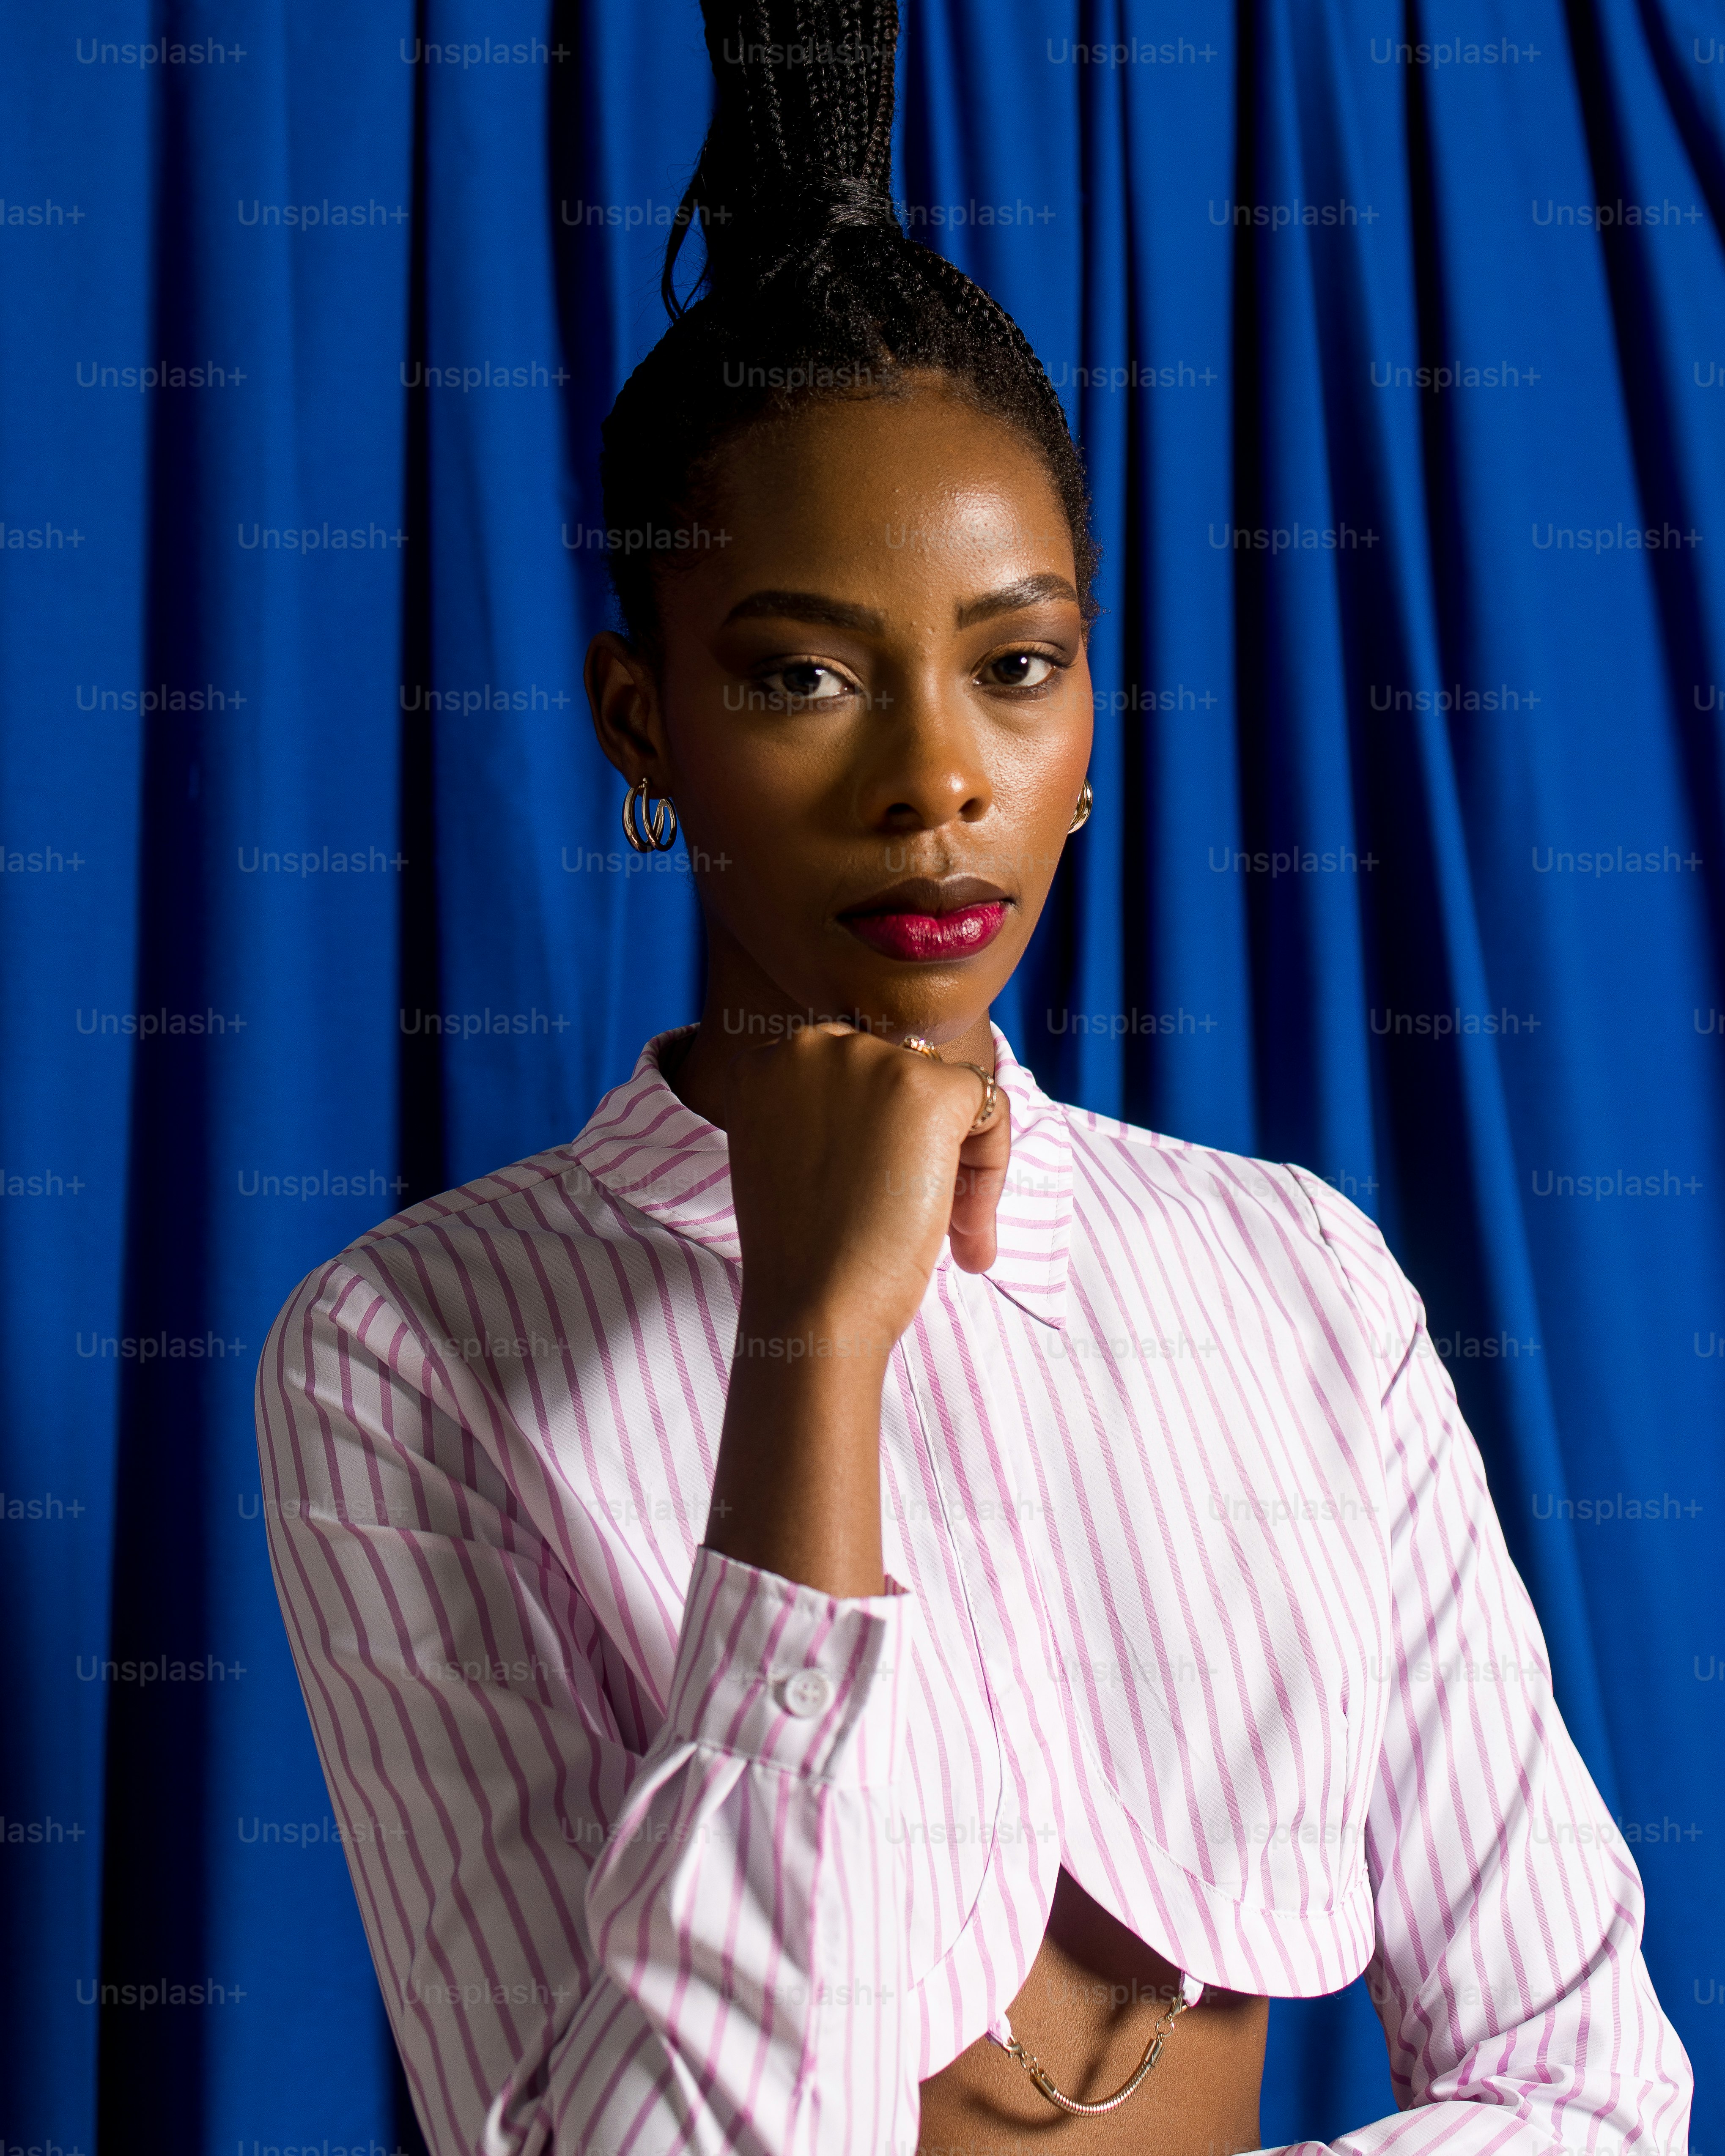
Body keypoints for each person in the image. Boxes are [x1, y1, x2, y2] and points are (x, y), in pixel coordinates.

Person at [254, 5, 1693, 2152]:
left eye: (1018, 665)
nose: (939, 778)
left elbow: (1587, 2089)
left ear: (1091, 708)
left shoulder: (1297, 1279)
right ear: (645, 727)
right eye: (806, 674)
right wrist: (805, 1349)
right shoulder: (408, 1355)